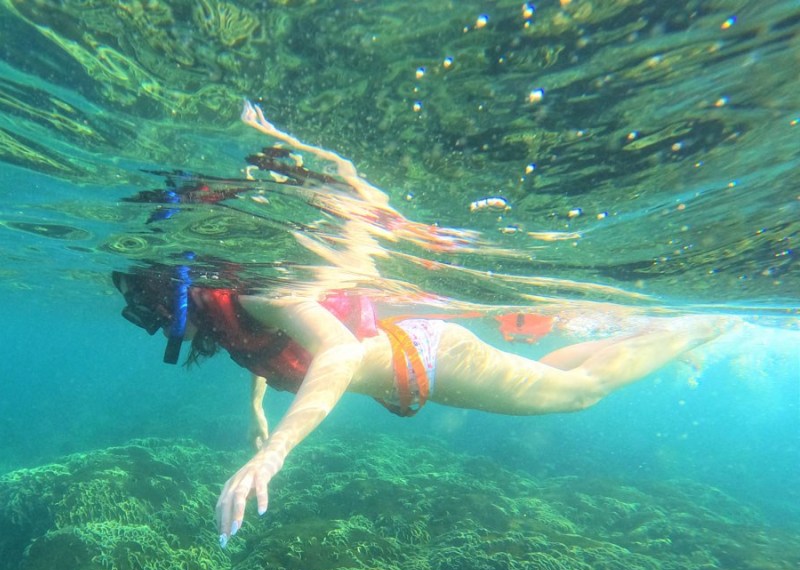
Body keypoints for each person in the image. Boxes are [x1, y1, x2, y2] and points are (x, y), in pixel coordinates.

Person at [114, 102, 729, 546]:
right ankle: (647, 340)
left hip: (427, 359)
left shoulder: (257, 291)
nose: (149, 326)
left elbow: (338, 352)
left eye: (148, 310)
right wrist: (257, 413)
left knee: (580, 393)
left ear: (176, 292)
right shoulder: (225, 316)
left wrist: (275, 453)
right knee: (545, 373)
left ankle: (694, 330)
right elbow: (266, 351)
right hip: (416, 365)